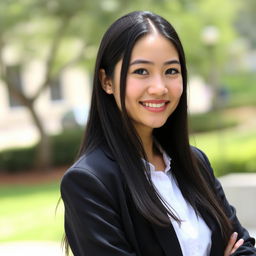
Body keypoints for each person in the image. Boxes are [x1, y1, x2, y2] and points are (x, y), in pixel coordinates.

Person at [60, 11, 256, 256]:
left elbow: (244, 246)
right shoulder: (89, 183)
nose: (159, 88)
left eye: (171, 71)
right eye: (141, 71)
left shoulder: (195, 162)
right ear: (106, 81)